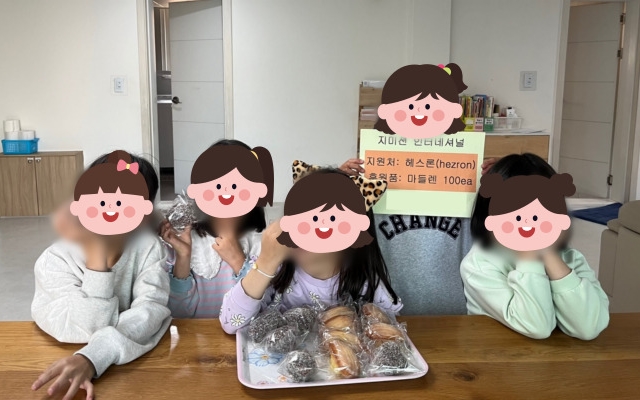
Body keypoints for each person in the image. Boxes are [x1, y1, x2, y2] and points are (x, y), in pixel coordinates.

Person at [31, 151, 171, 400]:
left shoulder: (148, 248)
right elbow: (83, 329)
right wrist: (97, 261)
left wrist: (92, 357)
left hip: (124, 369)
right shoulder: (55, 259)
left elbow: (150, 313)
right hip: (60, 357)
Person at [220, 168, 401, 334]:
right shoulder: (276, 268)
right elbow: (230, 324)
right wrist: (266, 263)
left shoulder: (367, 281)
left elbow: (391, 329)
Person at [461, 153, 609, 340]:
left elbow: (589, 328)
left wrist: (550, 256)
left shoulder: (571, 258)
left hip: (559, 357)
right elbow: (537, 326)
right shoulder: (479, 265)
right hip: (498, 354)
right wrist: (529, 255)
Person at [338, 157, 496, 315]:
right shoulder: (370, 183)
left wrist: (506, 177)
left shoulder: (467, 176)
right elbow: (338, 229)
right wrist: (337, 184)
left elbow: (500, 230)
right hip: (384, 310)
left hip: (454, 310)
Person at [160, 139, 272, 318]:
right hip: (197, 336)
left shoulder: (261, 245)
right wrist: (183, 256)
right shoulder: (188, 241)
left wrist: (238, 261)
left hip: (244, 336)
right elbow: (178, 314)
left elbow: (265, 312)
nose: (226, 194)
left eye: (236, 186)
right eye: (217, 186)